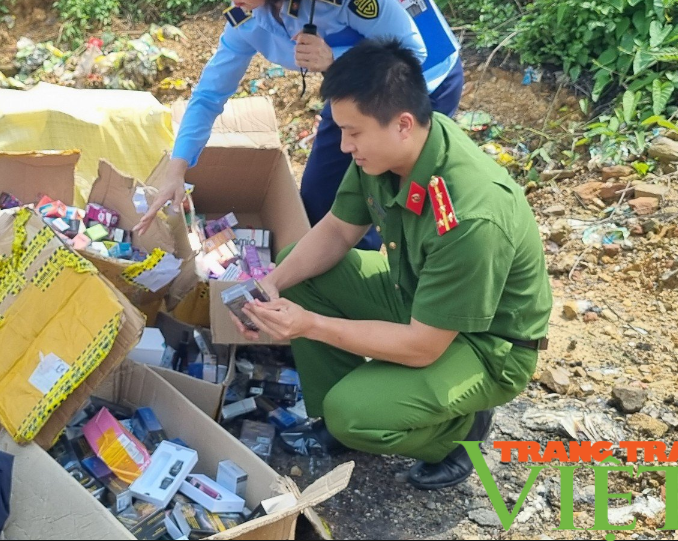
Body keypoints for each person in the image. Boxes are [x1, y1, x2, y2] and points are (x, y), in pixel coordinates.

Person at [236, 39, 551, 489]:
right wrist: (270, 284)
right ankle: (345, 412)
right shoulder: (391, 150)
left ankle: (460, 432)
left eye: (354, 132)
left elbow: (424, 345)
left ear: (403, 124)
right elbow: (338, 229)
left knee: (355, 413)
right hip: (418, 291)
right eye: (340, 129)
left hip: (485, 342)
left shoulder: (470, 213)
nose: (344, 145)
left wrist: (310, 325)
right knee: (297, 269)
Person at [136, 0, 464, 249]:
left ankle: (367, 282)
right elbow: (209, 94)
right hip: (352, 84)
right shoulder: (248, 19)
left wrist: (333, 60)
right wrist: (176, 171)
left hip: (421, 81)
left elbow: (411, 55)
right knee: (318, 194)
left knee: (380, 192)